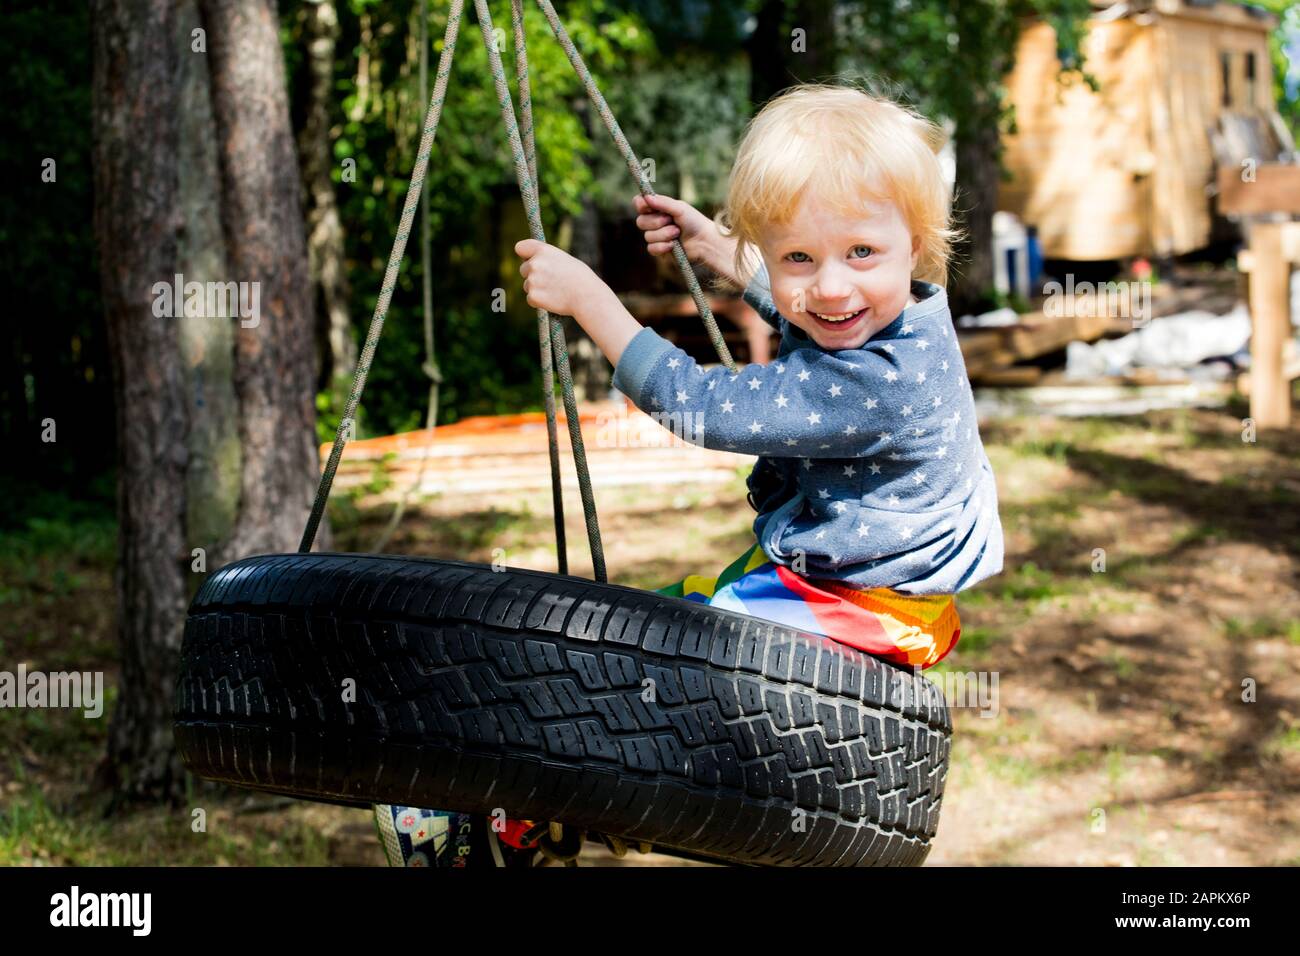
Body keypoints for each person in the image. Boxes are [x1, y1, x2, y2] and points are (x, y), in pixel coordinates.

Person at [515, 81, 1004, 671]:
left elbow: (695, 402)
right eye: (797, 256)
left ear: (914, 246)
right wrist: (715, 245)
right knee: (663, 615)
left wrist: (589, 300)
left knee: (670, 658)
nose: (830, 286)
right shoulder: (909, 316)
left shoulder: (877, 382)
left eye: (861, 253)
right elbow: (802, 306)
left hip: (864, 605)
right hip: (865, 578)